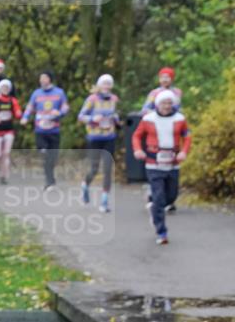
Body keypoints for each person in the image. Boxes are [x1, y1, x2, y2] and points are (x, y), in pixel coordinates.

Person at [133, 89, 191, 244]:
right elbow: (137, 136)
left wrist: (184, 152)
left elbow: (187, 137)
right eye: (164, 103)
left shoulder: (180, 119)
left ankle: (155, 208)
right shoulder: (148, 119)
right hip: (153, 163)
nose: (167, 106)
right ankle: (161, 232)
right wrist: (138, 149)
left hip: (172, 163)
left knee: (171, 196)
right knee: (159, 197)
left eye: (169, 103)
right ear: (158, 104)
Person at [78, 74, 121, 212]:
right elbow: (81, 116)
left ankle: (104, 201)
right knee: (94, 169)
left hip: (109, 137)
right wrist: (92, 119)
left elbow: (115, 114)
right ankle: (85, 185)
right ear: (99, 85)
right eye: (104, 84)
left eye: (109, 84)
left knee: (108, 169)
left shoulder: (114, 99)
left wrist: (116, 119)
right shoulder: (92, 99)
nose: (107, 86)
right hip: (94, 138)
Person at [21, 71, 69, 190]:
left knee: (53, 157)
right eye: (40, 78)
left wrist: (60, 112)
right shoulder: (36, 93)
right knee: (44, 154)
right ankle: (49, 180)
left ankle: (50, 180)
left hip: (54, 130)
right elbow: (30, 106)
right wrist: (25, 117)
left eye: (44, 78)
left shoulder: (59, 93)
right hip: (40, 130)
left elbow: (65, 106)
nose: (42, 80)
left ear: (50, 79)